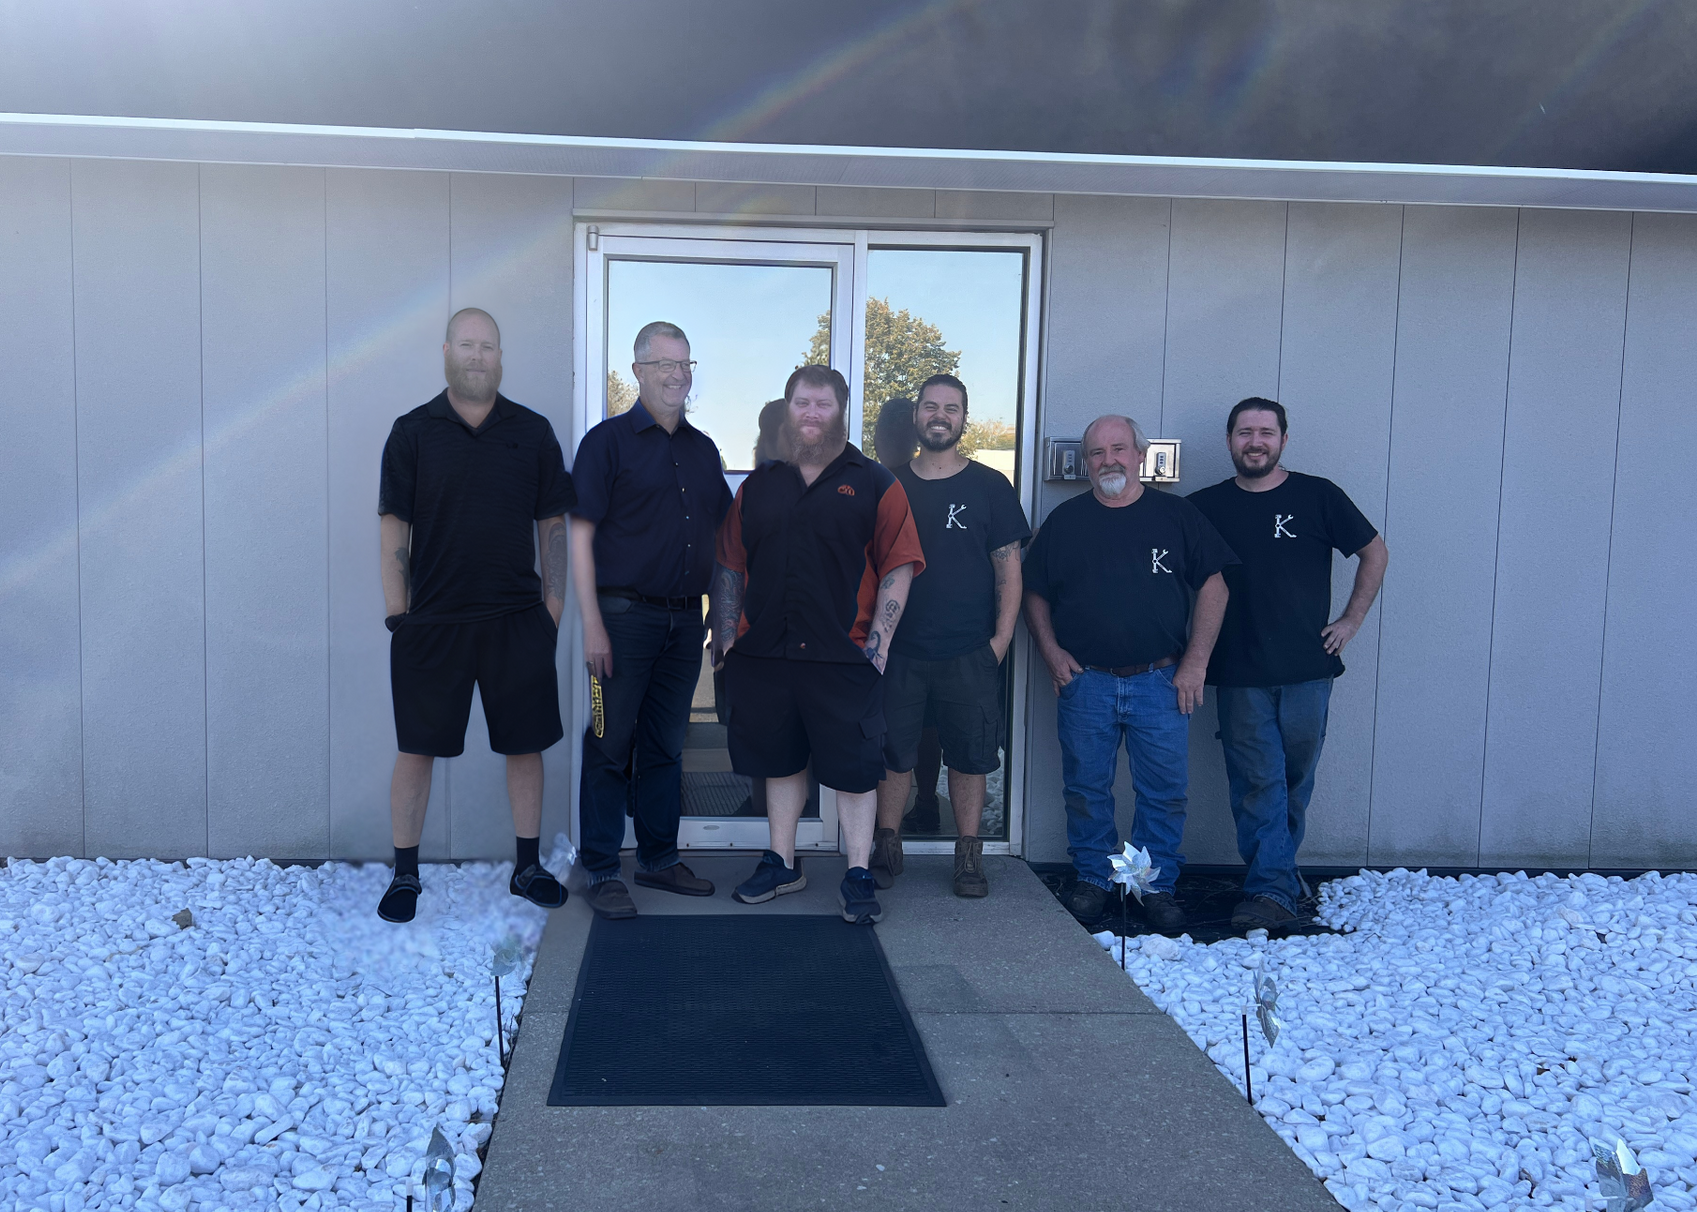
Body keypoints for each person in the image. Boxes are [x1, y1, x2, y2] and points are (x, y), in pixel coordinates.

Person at [375, 308, 576, 923]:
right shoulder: (412, 432)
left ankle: (527, 868)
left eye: (488, 346)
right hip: (432, 622)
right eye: (467, 344)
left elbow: (553, 526)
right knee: (417, 749)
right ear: (446, 352)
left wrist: (552, 612)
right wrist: (398, 615)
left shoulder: (533, 432)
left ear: (500, 357)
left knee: (526, 745)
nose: (478, 356)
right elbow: (393, 528)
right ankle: (405, 875)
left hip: (518, 619)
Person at [711, 365, 925, 925]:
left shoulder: (876, 482)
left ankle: (857, 872)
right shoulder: (758, 486)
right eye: (801, 402)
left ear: (841, 413)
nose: (811, 413)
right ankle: (782, 863)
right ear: (788, 410)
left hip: (844, 656)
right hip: (766, 655)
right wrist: (728, 639)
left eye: (822, 404)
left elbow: (900, 564)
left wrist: (877, 647)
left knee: (855, 771)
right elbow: (730, 563)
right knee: (779, 763)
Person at [1023, 415, 1235, 932]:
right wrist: (1051, 652)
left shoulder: (1176, 515)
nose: (1108, 460)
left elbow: (1214, 586)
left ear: (1140, 455)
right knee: (1086, 788)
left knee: (1163, 792)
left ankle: (1149, 884)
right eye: (1097, 452)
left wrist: (1196, 663)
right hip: (1086, 682)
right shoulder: (1066, 521)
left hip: (1160, 682)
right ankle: (1094, 878)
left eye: (1119, 449)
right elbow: (1034, 592)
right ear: (1087, 462)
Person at [1187, 397, 1388, 930]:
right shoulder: (1204, 507)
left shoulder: (1318, 496)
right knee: (1259, 782)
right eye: (1245, 432)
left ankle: (1277, 873)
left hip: (1309, 670)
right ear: (1229, 440)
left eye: (1266, 432)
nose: (1255, 442)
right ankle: (1271, 891)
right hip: (1239, 672)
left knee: (1293, 782)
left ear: (1283, 440)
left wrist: (1351, 620)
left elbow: (1374, 552)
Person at [568, 321, 733, 919]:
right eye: (665, 363)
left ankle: (659, 859)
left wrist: (722, 615)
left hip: (684, 624)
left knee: (665, 746)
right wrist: (591, 624)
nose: (677, 374)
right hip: (621, 620)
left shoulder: (703, 450)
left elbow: (722, 538)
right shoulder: (606, 443)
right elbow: (579, 536)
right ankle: (601, 869)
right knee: (609, 745)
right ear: (638, 371)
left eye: (685, 364)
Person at [872, 376, 1030, 897]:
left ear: (964, 418)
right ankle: (886, 847)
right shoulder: (888, 485)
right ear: (917, 415)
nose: (940, 415)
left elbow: (1009, 572)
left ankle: (968, 859)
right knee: (894, 753)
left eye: (951, 408)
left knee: (969, 757)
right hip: (899, 651)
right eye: (931, 406)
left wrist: (998, 644)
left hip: (969, 651)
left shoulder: (990, 486)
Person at [870, 397, 944, 834]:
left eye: (896, 431)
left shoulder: (914, 482)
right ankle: (886, 822)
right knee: (896, 727)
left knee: (920, 727)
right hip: (878, 628)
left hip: (921, 628)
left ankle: (921, 804)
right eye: (886, 430)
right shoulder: (874, 481)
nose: (889, 439)